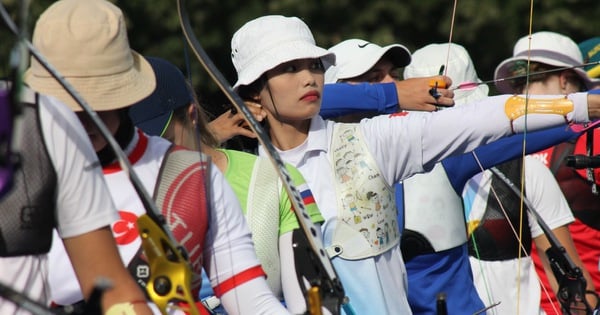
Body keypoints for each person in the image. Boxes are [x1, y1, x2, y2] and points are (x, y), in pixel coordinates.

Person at [228, 15, 600, 315]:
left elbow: (482, 119)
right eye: (290, 68)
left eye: (314, 65)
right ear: (253, 98)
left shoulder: (374, 142)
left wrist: (585, 105)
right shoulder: (244, 179)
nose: (309, 76)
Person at [23, 1, 289, 314]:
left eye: (98, 102)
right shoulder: (18, 181)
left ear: (125, 96)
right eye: (68, 105)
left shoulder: (192, 176)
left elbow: (248, 295)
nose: (84, 118)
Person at [129, 56, 326, 315]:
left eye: (160, 138)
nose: (149, 154)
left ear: (191, 117)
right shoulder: (117, 194)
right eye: (133, 144)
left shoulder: (274, 178)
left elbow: (313, 302)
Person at [0, 82, 152, 315]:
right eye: (76, 109)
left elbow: (115, 293)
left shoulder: (38, 118)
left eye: (97, 107)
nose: (85, 121)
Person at [494, 31, 600, 314]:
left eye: (533, 79)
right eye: (519, 83)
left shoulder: (591, 137)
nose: (523, 92)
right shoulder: (506, 144)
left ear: (565, 80)